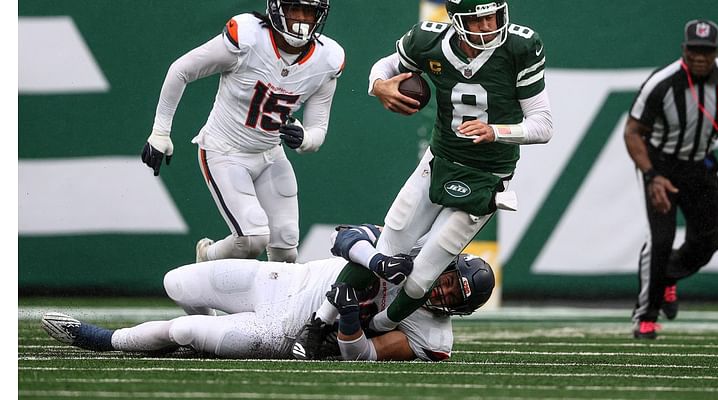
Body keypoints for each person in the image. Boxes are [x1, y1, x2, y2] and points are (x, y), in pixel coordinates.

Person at [300, 0, 553, 342]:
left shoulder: (520, 47)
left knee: (422, 276)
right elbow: (385, 66)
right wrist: (380, 86)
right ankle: (317, 324)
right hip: (439, 161)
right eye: (477, 20)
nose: (488, 26)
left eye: (493, 16)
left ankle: (376, 328)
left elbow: (543, 125)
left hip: (487, 177)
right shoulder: (428, 40)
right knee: (386, 248)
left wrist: (497, 131)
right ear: (456, 20)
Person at [40, 225, 496, 361]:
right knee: (176, 282)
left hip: (283, 330)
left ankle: (100, 339)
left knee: (183, 328)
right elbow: (346, 238)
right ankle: (208, 343)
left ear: (461, 310)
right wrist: (376, 263)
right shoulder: (414, 253)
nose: (443, 289)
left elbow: (362, 357)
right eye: (450, 277)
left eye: (455, 295)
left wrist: (350, 317)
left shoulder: (432, 339)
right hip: (286, 280)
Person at [140, 0, 344, 264]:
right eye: (295, 9)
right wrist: (160, 132)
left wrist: (305, 138)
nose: (303, 20)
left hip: (271, 154)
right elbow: (181, 70)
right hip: (225, 150)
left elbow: (318, 129)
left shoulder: (327, 59)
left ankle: (273, 306)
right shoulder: (248, 38)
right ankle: (208, 258)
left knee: (286, 247)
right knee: (251, 240)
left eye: (310, 11)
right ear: (277, 9)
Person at [623, 19, 718, 339]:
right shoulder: (662, 83)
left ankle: (669, 277)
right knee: (661, 239)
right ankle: (646, 315)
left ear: (716, 52)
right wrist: (651, 175)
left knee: (709, 238)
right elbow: (632, 131)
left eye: (707, 51)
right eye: (694, 50)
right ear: (683, 50)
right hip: (660, 164)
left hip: (699, 163)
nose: (700, 57)